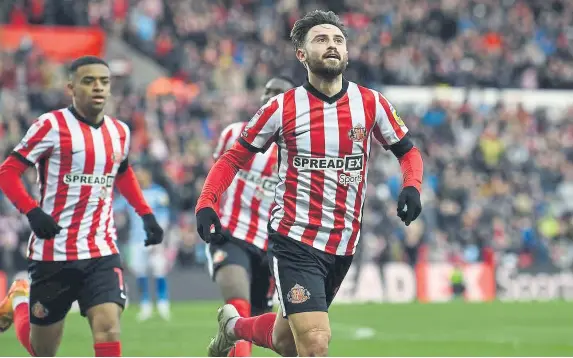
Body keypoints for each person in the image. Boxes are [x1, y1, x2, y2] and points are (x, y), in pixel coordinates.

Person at [195, 10, 424, 357]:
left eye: (338, 40)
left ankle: (233, 327)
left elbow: (408, 152)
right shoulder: (281, 108)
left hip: (343, 244)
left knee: (286, 341)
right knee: (315, 342)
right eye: (321, 39)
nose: (331, 45)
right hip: (294, 239)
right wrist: (207, 202)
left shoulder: (370, 103)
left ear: (347, 53)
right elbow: (232, 159)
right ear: (302, 54)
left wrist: (412, 185)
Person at [0, 56, 164, 357]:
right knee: (43, 350)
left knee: (109, 327)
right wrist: (32, 211)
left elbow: (122, 172)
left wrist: (146, 214)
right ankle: (20, 299)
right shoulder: (50, 126)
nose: (98, 88)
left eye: (104, 81)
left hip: (101, 250)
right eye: (89, 81)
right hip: (54, 252)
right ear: (71, 87)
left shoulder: (120, 132)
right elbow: (8, 171)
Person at [206, 76, 295, 357]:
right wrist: (209, 211)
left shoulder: (298, 150)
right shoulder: (234, 134)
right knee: (238, 304)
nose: (270, 96)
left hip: (272, 245)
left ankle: (226, 340)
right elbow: (218, 177)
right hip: (231, 234)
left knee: (257, 322)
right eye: (267, 91)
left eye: (278, 93)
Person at [115, 165, 171, 321]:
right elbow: (116, 207)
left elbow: (165, 216)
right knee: (140, 272)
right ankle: (145, 305)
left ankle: (163, 304)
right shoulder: (131, 193)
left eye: (142, 174)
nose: (140, 178)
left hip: (154, 240)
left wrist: (161, 238)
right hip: (136, 239)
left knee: (158, 270)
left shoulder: (158, 193)